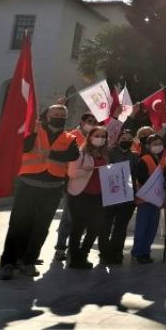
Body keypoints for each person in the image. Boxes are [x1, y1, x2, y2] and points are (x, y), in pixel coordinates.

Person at [0, 105, 80, 280]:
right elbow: (24, 147)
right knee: (19, 224)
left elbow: (72, 156)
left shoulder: (69, 137)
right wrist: (33, 131)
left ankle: (29, 261)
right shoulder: (34, 130)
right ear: (47, 116)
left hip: (52, 189)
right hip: (28, 185)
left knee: (41, 227)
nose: (59, 117)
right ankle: (8, 262)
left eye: (62, 115)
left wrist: (50, 154)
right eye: (55, 114)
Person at [54, 112, 96, 262]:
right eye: (89, 121)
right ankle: (60, 247)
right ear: (82, 121)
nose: (92, 123)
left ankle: (74, 246)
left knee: (82, 219)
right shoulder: (72, 136)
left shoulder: (94, 139)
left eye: (94, 121)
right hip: (71, 182)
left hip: (88, 185)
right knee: (68, 217)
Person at [65, 126, 109, 269]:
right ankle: (74, 257)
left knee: (95, 227)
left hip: (98, 196)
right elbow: (72, 173)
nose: (100, 138)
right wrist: (86, 170)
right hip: (80, 195)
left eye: (103, 136)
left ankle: (83, 254)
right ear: (90, 137)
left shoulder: (104, 155)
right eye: (97, 135)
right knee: (78, 227)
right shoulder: (80, 153)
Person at [99, 127, 139, 265]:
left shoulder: (134, 156)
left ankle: (117, 252)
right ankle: (104, 253)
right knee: (105, 225)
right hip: (110, 195)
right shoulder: (109, 152)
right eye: (123, 139)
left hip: (128, 197)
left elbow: (135, 175)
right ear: (118, 139)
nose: (126, 141)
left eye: (129, 139)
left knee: (121, 228)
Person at [131, 134, 166, 264]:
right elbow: (140, 178)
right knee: (143, 227)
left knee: (152, 227)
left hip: (156, 199)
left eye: (160, 144)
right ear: (148, 146)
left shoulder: (160, 160)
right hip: (145, 199)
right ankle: (137, 253)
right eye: (155, 144)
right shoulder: (145, 159)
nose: (158, 146)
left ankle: (145, 251)